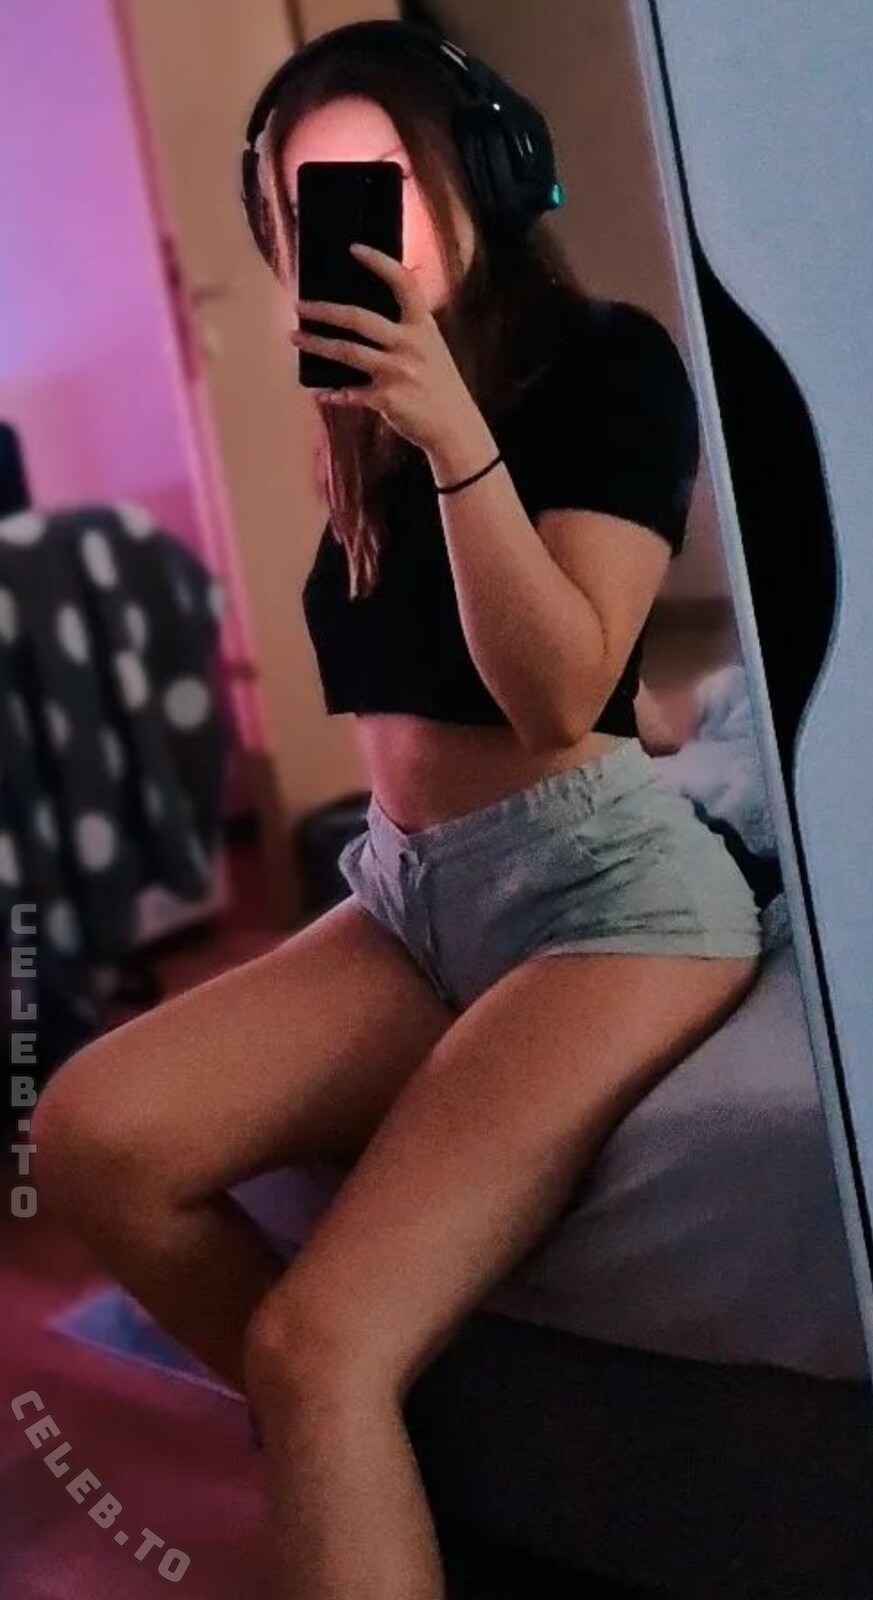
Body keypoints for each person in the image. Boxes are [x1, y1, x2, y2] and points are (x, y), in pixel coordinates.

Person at [33, 22, 763, 1600]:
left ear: (475, 177)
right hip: (408, 892)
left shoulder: (609, 364)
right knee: (91, 1136)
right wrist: (388, 430)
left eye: (377, 185)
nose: (343, 232)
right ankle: (373, 1454)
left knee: (316, 1347)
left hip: (603, 902)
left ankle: (336, 1411)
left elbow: (557, 696)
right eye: (303, 208)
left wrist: (451, 438)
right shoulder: (356, 415)